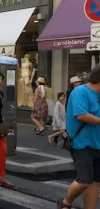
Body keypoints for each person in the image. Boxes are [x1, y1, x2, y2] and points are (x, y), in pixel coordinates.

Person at [58, 65, 100, 209]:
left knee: (95, 181)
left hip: (98, 144)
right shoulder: (80, 92)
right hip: (81, 144)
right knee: (85, 180)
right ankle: (66, 202)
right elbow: (81, 115)